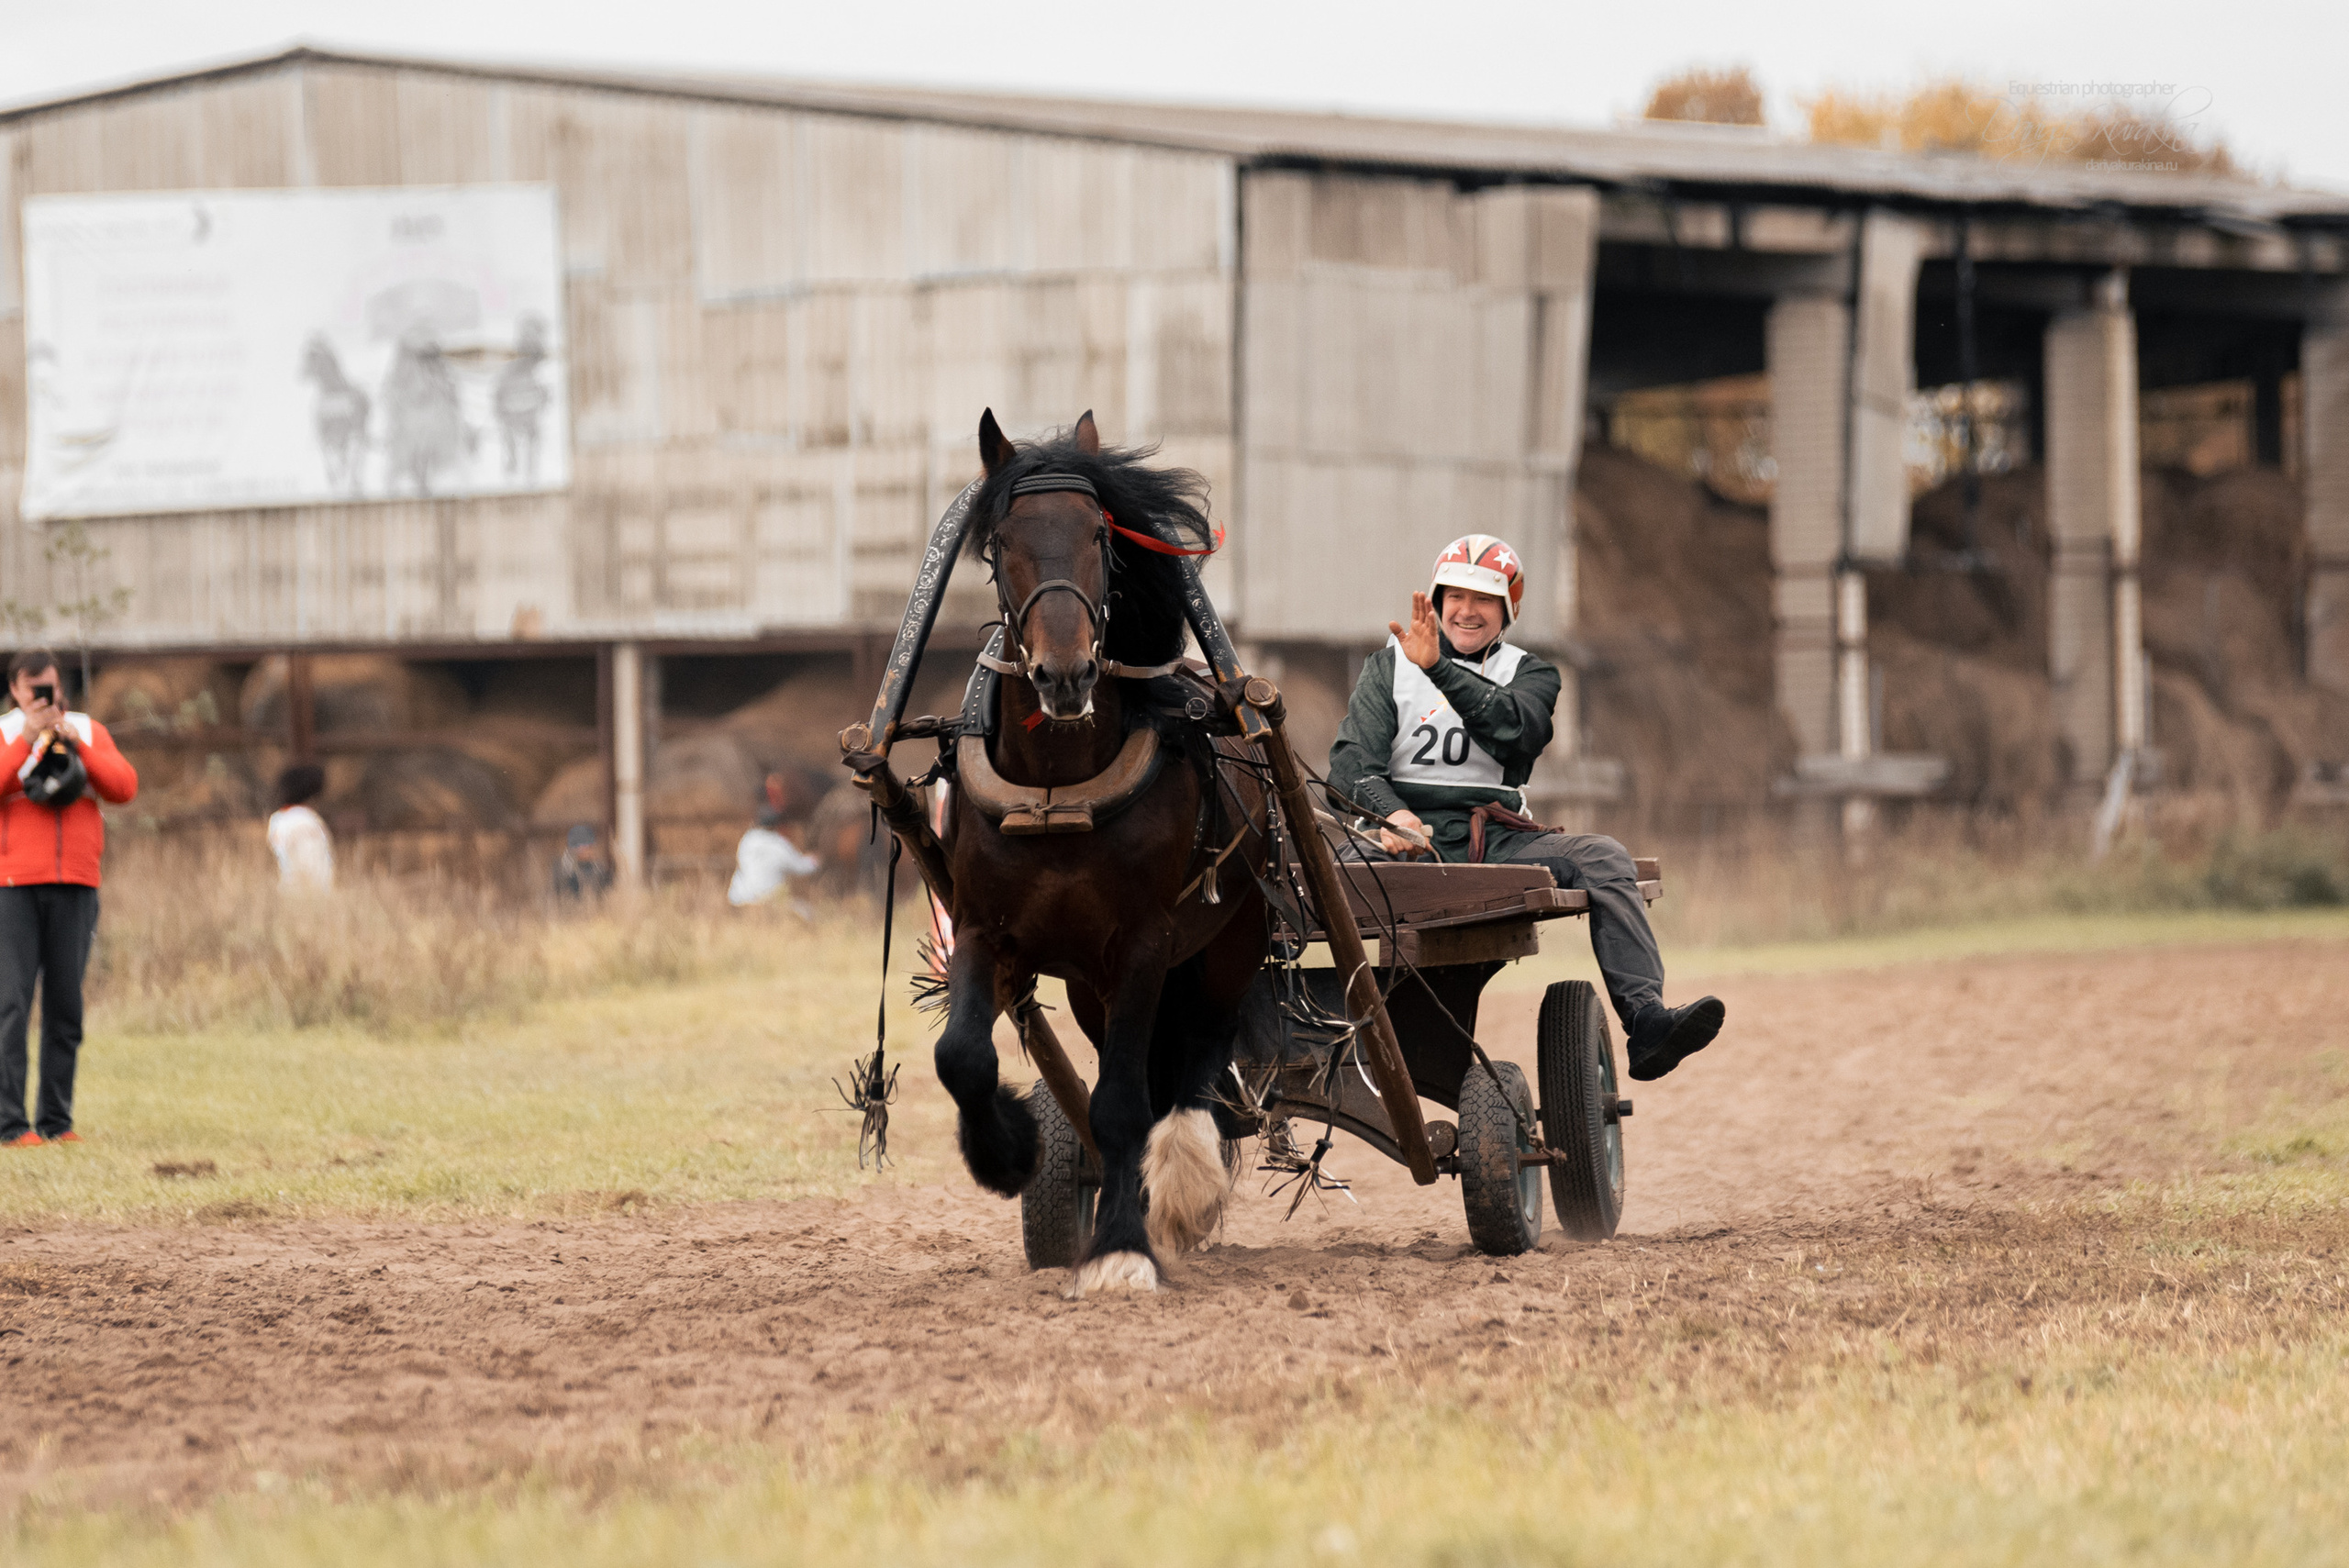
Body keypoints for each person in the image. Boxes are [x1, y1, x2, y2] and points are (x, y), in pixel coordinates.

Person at [1328, 537, 1726, 1082]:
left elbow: (1517, 731)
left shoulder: (1533, 673)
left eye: (1484, 599)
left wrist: (1438, 668)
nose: (1467, 611)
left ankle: (1647, 1021)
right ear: (1438, 601)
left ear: (1507, 609)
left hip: (1496, 838)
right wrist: (1390, 815)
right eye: (1456, 596)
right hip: (1399, 839)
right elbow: (1351, 768)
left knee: (1606, 856)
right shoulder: (1386, 667)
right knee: (1307, 878)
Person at [1, 648, 139, 1147]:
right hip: (13, 886)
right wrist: (26, 740)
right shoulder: (5, 733)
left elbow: (124, 787)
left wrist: (79, 746)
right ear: (15, 690)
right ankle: (10, 1125)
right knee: (11, 1006)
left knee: (65, 1007)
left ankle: (56, 1122)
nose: (44, 697)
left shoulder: (88, 729)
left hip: (77, 883)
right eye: (33, 689)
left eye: (51, 687)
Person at [728, 807, 821, 911]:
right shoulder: (778, 843)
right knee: (808, 913)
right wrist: (816, 860)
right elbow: (800, 867)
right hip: (769, 902)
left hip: (739, 899)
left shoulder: (747, 839)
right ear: (776, 825)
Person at [265, 762, 335, 893]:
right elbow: (315, 867)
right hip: (310, 894)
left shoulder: (277, 820)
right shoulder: (307, 820)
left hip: (286, 891)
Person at [552, 824, 614, 902]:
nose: (588, 851)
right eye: (584, 847)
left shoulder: (599, 869)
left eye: (590, 847)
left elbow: (605, 893)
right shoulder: (564, 870)